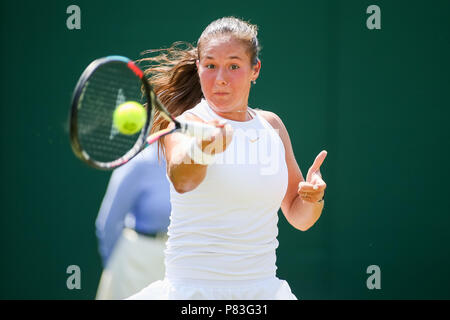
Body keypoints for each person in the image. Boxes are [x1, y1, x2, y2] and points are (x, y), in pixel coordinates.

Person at [128, 16, 327, 300]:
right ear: (198, 68)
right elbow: (182, 179)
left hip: (263, 293)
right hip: (192, 295)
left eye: (233, 66)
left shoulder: (272, 127)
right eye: (210, 65)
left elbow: (300, 217)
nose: (220, 78)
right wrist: (204, 149)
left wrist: (312, 199)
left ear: (254, 69)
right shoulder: (184, 124)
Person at [95, 143, 171, 300]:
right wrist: (116, 269)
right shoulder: (139, 162)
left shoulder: (199, 161)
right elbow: (109, 222)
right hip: (136, 263)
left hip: (178, 260)